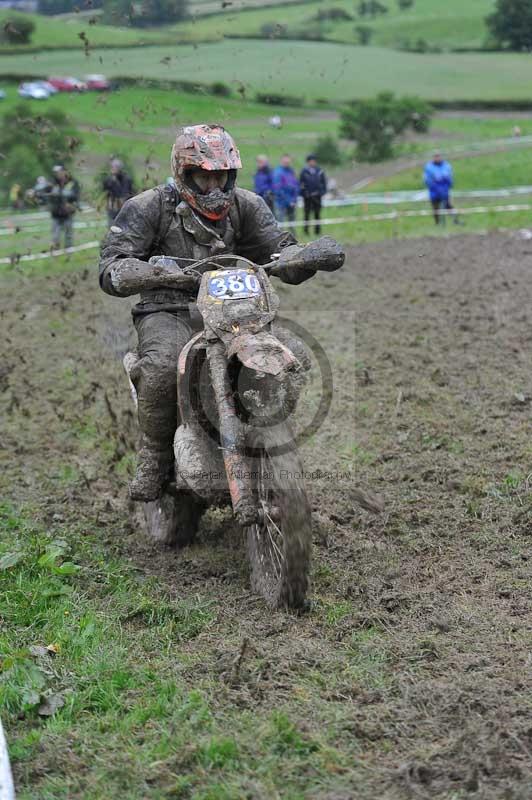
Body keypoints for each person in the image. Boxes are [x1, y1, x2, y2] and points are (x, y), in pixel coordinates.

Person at [99, 124, 344, 502]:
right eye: (204, 176)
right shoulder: (150, 207)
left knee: (294, 354)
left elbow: (278, 248)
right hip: (171, 309)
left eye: (222, 177)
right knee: (163, 367)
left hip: (240, 311)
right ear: (184, 174)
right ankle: (154, 456)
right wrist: (129, 270)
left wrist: (303, 257)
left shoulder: (247, 205)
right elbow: (113, 261)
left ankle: (271, 434)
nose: (214, 187)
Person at [48, 165, 80, 249]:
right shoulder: (53, 182)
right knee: (55, 233)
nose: (58, 174)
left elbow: (75, 195)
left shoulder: (73, 182)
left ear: (65, 172)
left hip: (67, 212)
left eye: (59, 172)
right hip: (56, 212)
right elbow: (48, 193)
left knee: (68, 232)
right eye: (56, 173)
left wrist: (64, 194)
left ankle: (68, 249)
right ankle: (55, 248)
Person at [423, 152, 457, 225]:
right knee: (435, 208)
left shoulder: (446, 166)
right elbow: (427, 180)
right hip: (434, 191)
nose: (437, 158)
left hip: (445, 190)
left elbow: (449, 178)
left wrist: (448, 186)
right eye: (435, 157)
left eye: (438, 156)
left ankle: (455, 220)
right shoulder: (429, 167)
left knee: (448, 205)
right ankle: (437, 223)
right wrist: (434, 187)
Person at [299, 154, 327, 235]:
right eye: (310, 161)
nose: (312, 162)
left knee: (317, 214)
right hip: (307, 197)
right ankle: (306, 231)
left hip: (317, 196)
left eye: (313, 161)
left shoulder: (320, 171)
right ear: (308, 162)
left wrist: (322, 192)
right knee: (307, 215)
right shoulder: (304, 172)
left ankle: (317, 231)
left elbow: (324, 183)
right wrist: (304, 193)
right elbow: (301, 184)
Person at [103, 158, 134, 225]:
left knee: (123, 226)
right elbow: (105, 188)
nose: (113, 169)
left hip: (123, 206)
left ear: (120, 168)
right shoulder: (109, 179)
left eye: (115, 167)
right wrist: (112, 180)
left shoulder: (126, 179)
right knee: (112, 226)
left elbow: (124, 192)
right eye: (112, 167)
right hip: (112, 206)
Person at [272, 155, 299, 224]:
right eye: (285, 161)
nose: (287, 163)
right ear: (281, 161)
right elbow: (277, 189)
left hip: (292, 202)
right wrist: (289, 201)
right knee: (280, 224)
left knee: (292, 223)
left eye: (288, 162)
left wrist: (294, 199)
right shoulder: (277, 172)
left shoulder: (291, 171)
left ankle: (292, 234)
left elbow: (295, 185)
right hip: (281, 202)